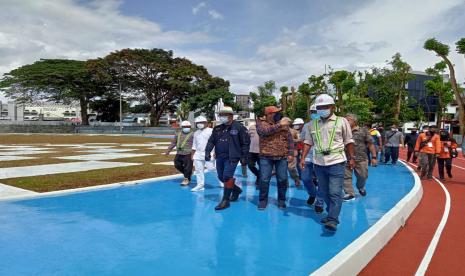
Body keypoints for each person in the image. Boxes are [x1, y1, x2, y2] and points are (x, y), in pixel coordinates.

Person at [300, 94, 355, 232]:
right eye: (319, 107)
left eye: (325, 107)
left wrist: (352, 158)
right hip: (318, 163)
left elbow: (348, 141)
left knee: (335, 192)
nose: (322, 109)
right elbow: (308, 142)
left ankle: (332, 220)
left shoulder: (342, 121)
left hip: (337, 161)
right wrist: (302, 158)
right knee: (324, 192)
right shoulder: (312, 124)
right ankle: (332, 214)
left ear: (332, 107)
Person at [205, 107, 250, 211]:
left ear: (231, 116)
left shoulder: (239, 128)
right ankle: (236, 190)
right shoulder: (217, 128)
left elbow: (245, 143)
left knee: (227, 176)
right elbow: (211, 141)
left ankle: (225, 200)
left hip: (232, 157)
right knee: (221, 177)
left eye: (224, 115)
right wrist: (207, 151)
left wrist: (244, 157)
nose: (222, 117)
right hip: (220, 156)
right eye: (221, 115)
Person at [256, 106, 294, 210]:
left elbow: (289, 139)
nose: (278, 114)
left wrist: (291, 153)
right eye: (275, 113)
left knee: (282, 179)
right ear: (269, 114)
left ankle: (281, 200)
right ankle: (263, 200)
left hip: (282, 157)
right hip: (266, 157)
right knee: (264, 179)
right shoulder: (260, 123)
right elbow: (264, 132)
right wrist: (279, 125)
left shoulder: (284, 125)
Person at [343, 114, 377, 201]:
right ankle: (349, 193)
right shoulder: (342, 130)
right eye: (345, 120)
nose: (346, 122)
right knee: (346, 177)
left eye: (348, 120)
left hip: (361, 159)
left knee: (362, 176)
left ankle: (360, 187)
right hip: (345, 158)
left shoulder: (363, 131)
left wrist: (374, 157)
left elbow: (370, 144)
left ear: (355, 121)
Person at [300, 105, 324, 213]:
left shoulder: (327, 124)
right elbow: (302, 139)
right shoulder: (306, 125)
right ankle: (313, 194)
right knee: (305, 178)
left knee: (322, 180)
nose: (314, 113)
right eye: (312, 112)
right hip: (308, 155)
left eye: (316, 111)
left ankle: (320, 201)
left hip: (322, 156)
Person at [165, 120, 194, 186]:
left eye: (188, 126)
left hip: (188, 153)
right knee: (177, 165)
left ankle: (186, 179)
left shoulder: (193, 134)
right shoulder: (178, 133)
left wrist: (194, 153)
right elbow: (173, 142)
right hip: (179, 153)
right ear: (182, 127)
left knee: (188, 167)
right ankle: (188, 174)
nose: (186, 128)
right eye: (185, 126)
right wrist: (168, 150)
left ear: (190, 127)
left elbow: (196, 144)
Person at [191, 116, 215, 192]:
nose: (199, 124)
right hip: (198, 154)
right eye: (198, 123)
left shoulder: (211, 131)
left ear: (206, 123)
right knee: (198, 170)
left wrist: (215, 152)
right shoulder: (196, 133)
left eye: (201, 123)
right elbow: (194, 145)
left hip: (209, 153)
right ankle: (200, 185)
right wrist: (192, 154)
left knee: (211, 169)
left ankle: (222, 181)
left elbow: (216, 143)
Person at [288, 118, 304, 187]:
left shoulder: (294, 132)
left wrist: (291, 140)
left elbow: (300, 140)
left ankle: (296, 179)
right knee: (282, 171)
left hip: (293, 153)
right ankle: (285, 183)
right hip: (282, 153)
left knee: (291, 168)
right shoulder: (279, 131)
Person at [247, 122, 261, 186]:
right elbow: (247, 138)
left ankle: (259, 179)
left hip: (261, 151)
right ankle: (258, 175)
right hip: (251, 151)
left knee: (262, 167)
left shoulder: (266, 128)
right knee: (250, 165)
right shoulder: (252, 127)